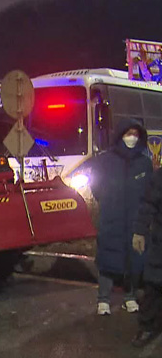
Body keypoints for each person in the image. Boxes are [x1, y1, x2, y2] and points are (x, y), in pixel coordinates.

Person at [89, 118, 152, 316]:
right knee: (108, 258)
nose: (132, 138)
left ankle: (130, 297)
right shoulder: (106, 160)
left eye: (135, 134)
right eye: (128, 133)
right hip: (112, 217)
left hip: (135, 219)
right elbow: (96, 186)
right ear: (120, 135)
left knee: (134, 259)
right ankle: (103, 299)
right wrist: (108, 203)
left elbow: (150, 192)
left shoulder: (144, 163)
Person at [131, 165, 162, 347]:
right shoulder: (160, 176)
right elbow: (148, 204)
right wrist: (140, 231)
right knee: (154, 285)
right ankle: (147, 326)